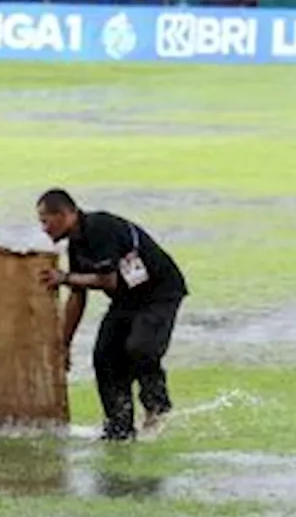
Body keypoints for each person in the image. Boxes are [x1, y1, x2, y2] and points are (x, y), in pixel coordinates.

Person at [34, 189, 189, 442]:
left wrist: (65, 277)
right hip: (127, 299)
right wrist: (63, 344)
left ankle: (157, 407)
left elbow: (109, 280)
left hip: (159, 294)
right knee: (104, 356)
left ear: (66, 214)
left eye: (45, 220)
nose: (43, 228)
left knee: (140, 347)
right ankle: (119, 426)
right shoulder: (76, 245)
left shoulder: (100, 228)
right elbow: (77, 296)